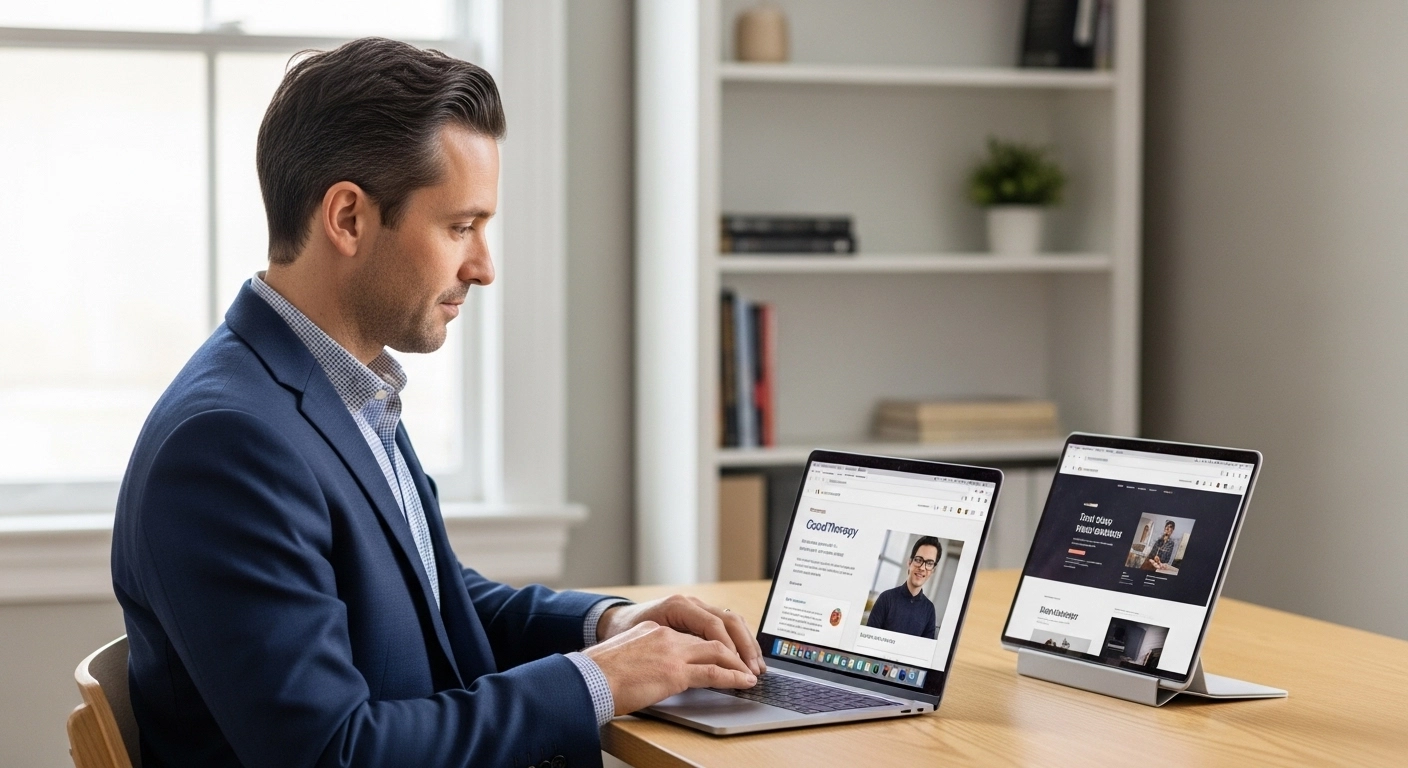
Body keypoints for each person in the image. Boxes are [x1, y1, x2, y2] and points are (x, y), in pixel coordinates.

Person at [110, 38, 761, 768]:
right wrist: (600, 682)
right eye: (460, 227)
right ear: (349, 218)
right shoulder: (227, 444)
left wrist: (608, 624)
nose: (482, 267)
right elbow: (336, 754)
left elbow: (430, 602)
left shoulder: (339, 388)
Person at [865, 537, 941, 639]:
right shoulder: (886, 598)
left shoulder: (929, 610)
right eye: (918, 560)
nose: (922, 568)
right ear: (909, 563)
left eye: (929, 563)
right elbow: (867, 639)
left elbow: (924, 651)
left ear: (933, 570)